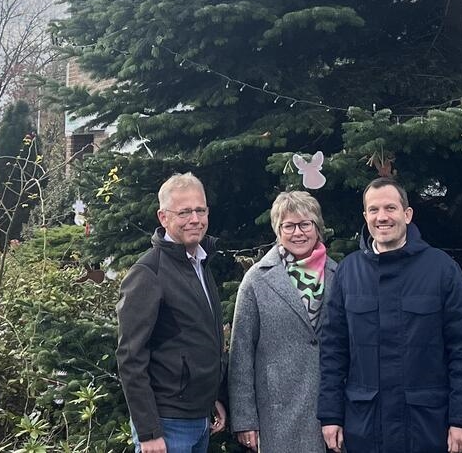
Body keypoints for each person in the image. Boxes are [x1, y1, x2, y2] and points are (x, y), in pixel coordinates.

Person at [318, 178, 462, 453]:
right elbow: (334, 350)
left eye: (390, 208)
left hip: (426, 425)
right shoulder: (348, 272)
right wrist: (331, 416)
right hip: (365, 426)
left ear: (407, 214)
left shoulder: (442, 269)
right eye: (373, 210)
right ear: (365, 216)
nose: (382, 217)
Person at [116, 172, 229, 453]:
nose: (195, 219)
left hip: (198, 417)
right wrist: (149, 431)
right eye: (184, 212)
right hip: (167, 424)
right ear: (163, 217)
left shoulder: (200, 263)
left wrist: (211, 397)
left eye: (200, 210)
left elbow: (197, 340)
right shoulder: (148, 273)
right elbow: (130, 357)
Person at [229, 190, 338, 453]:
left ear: (317, 227)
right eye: (288, 226)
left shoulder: (339, 274)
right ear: (278, 231)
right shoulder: (257, 280)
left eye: (305, 224)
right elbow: (241, 352)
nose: (298, 232)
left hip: (330, 411)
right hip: (277, 413)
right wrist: (245, 419)